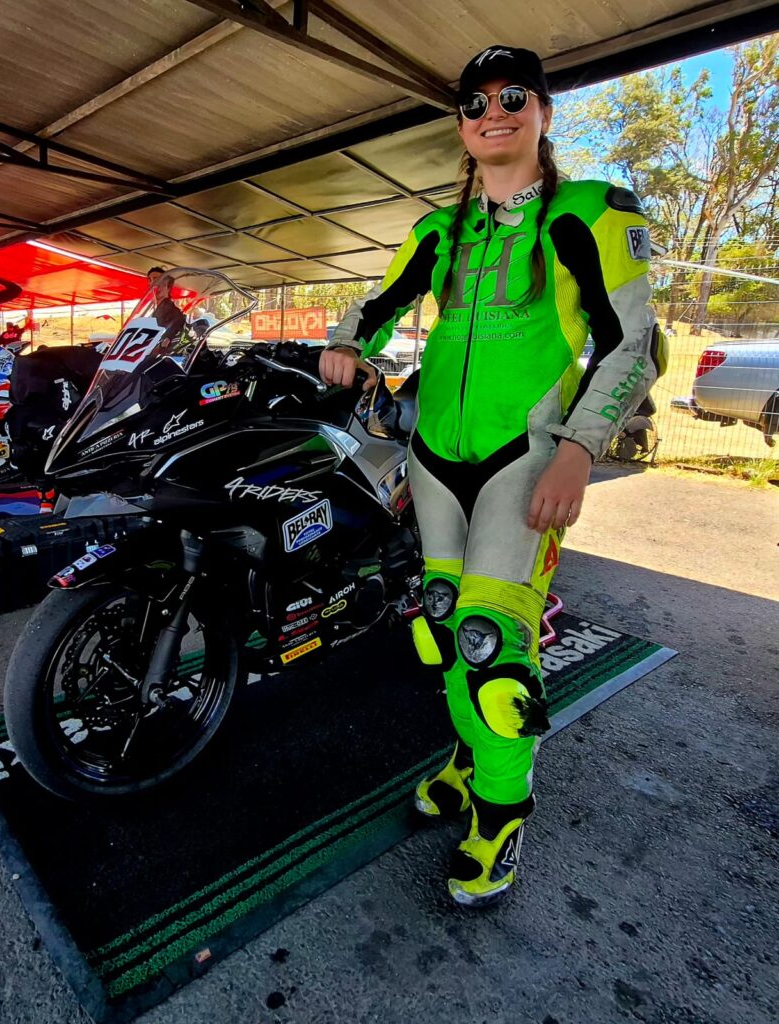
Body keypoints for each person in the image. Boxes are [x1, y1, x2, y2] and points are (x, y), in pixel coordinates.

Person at [319, 46, 663, 907]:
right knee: (443, 624)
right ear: (460, 124)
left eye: (513, 97)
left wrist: (580, 448)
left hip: (529, 457)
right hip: (435, 457)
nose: (492, 114)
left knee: (491, 644)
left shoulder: (590, 211)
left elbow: (633, 342)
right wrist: (345, 342)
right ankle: (472, 760)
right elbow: (375, 305)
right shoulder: (438, 231)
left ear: (543, 112)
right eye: (474, 103)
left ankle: (502, 816)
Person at [146, 267, 187, 337]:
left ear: (168, 285)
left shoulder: (175, 314)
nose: (153, 283)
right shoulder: (147, 311)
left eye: (157, 279)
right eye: (150, 280)